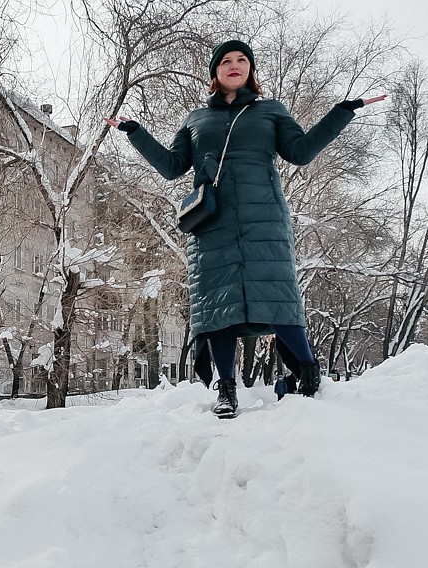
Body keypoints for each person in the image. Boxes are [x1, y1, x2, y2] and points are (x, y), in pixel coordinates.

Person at [106, 39, 385, 417]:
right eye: (225, 61)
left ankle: (307, 370)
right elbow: (172, 167)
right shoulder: (195, 120)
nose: (234, 65)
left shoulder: (270, 111)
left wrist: (341, 112)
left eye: (242, 60)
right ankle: (226, 389)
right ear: (214, 72)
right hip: (213, 222)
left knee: (279, 297)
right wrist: (136, 132)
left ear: (250, 69)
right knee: (218, 307)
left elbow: (300, 152)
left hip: (264, 219)